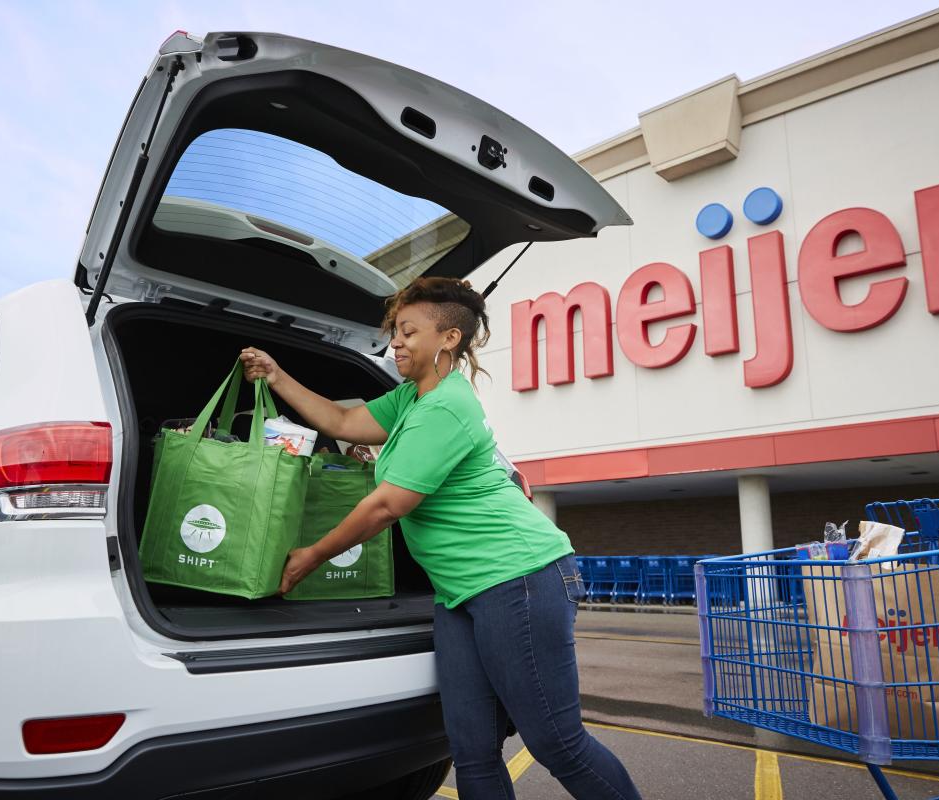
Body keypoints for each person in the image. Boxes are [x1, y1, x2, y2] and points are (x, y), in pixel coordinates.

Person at [240, 277, 642, 800]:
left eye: (408, 331)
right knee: (472, 750)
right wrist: (277, 377)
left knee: (557, 743)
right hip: (459, 592)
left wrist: (310, 557)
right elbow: (341, 419)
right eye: (395, 332)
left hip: (518, 577)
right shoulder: (410, 399)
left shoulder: (447, 407)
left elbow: (388, 504)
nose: (396, 343)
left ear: (449, 338)